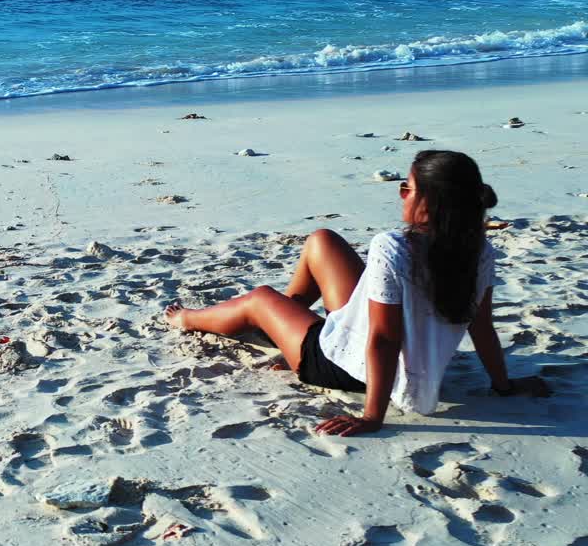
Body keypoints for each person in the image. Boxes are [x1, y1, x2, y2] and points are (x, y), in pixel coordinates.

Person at [164, 150, 550, 437]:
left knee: (259, 298)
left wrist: (372, 417)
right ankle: (286, 327)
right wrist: (504, 385)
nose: (401, 194)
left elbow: (384, 338)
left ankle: (190, 319)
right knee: (322, 240)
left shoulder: (394, 246)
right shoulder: (478, 248)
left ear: (428, 202)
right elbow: (482, 327)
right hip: (388, 358)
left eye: (407, 188)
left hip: (342, 367)